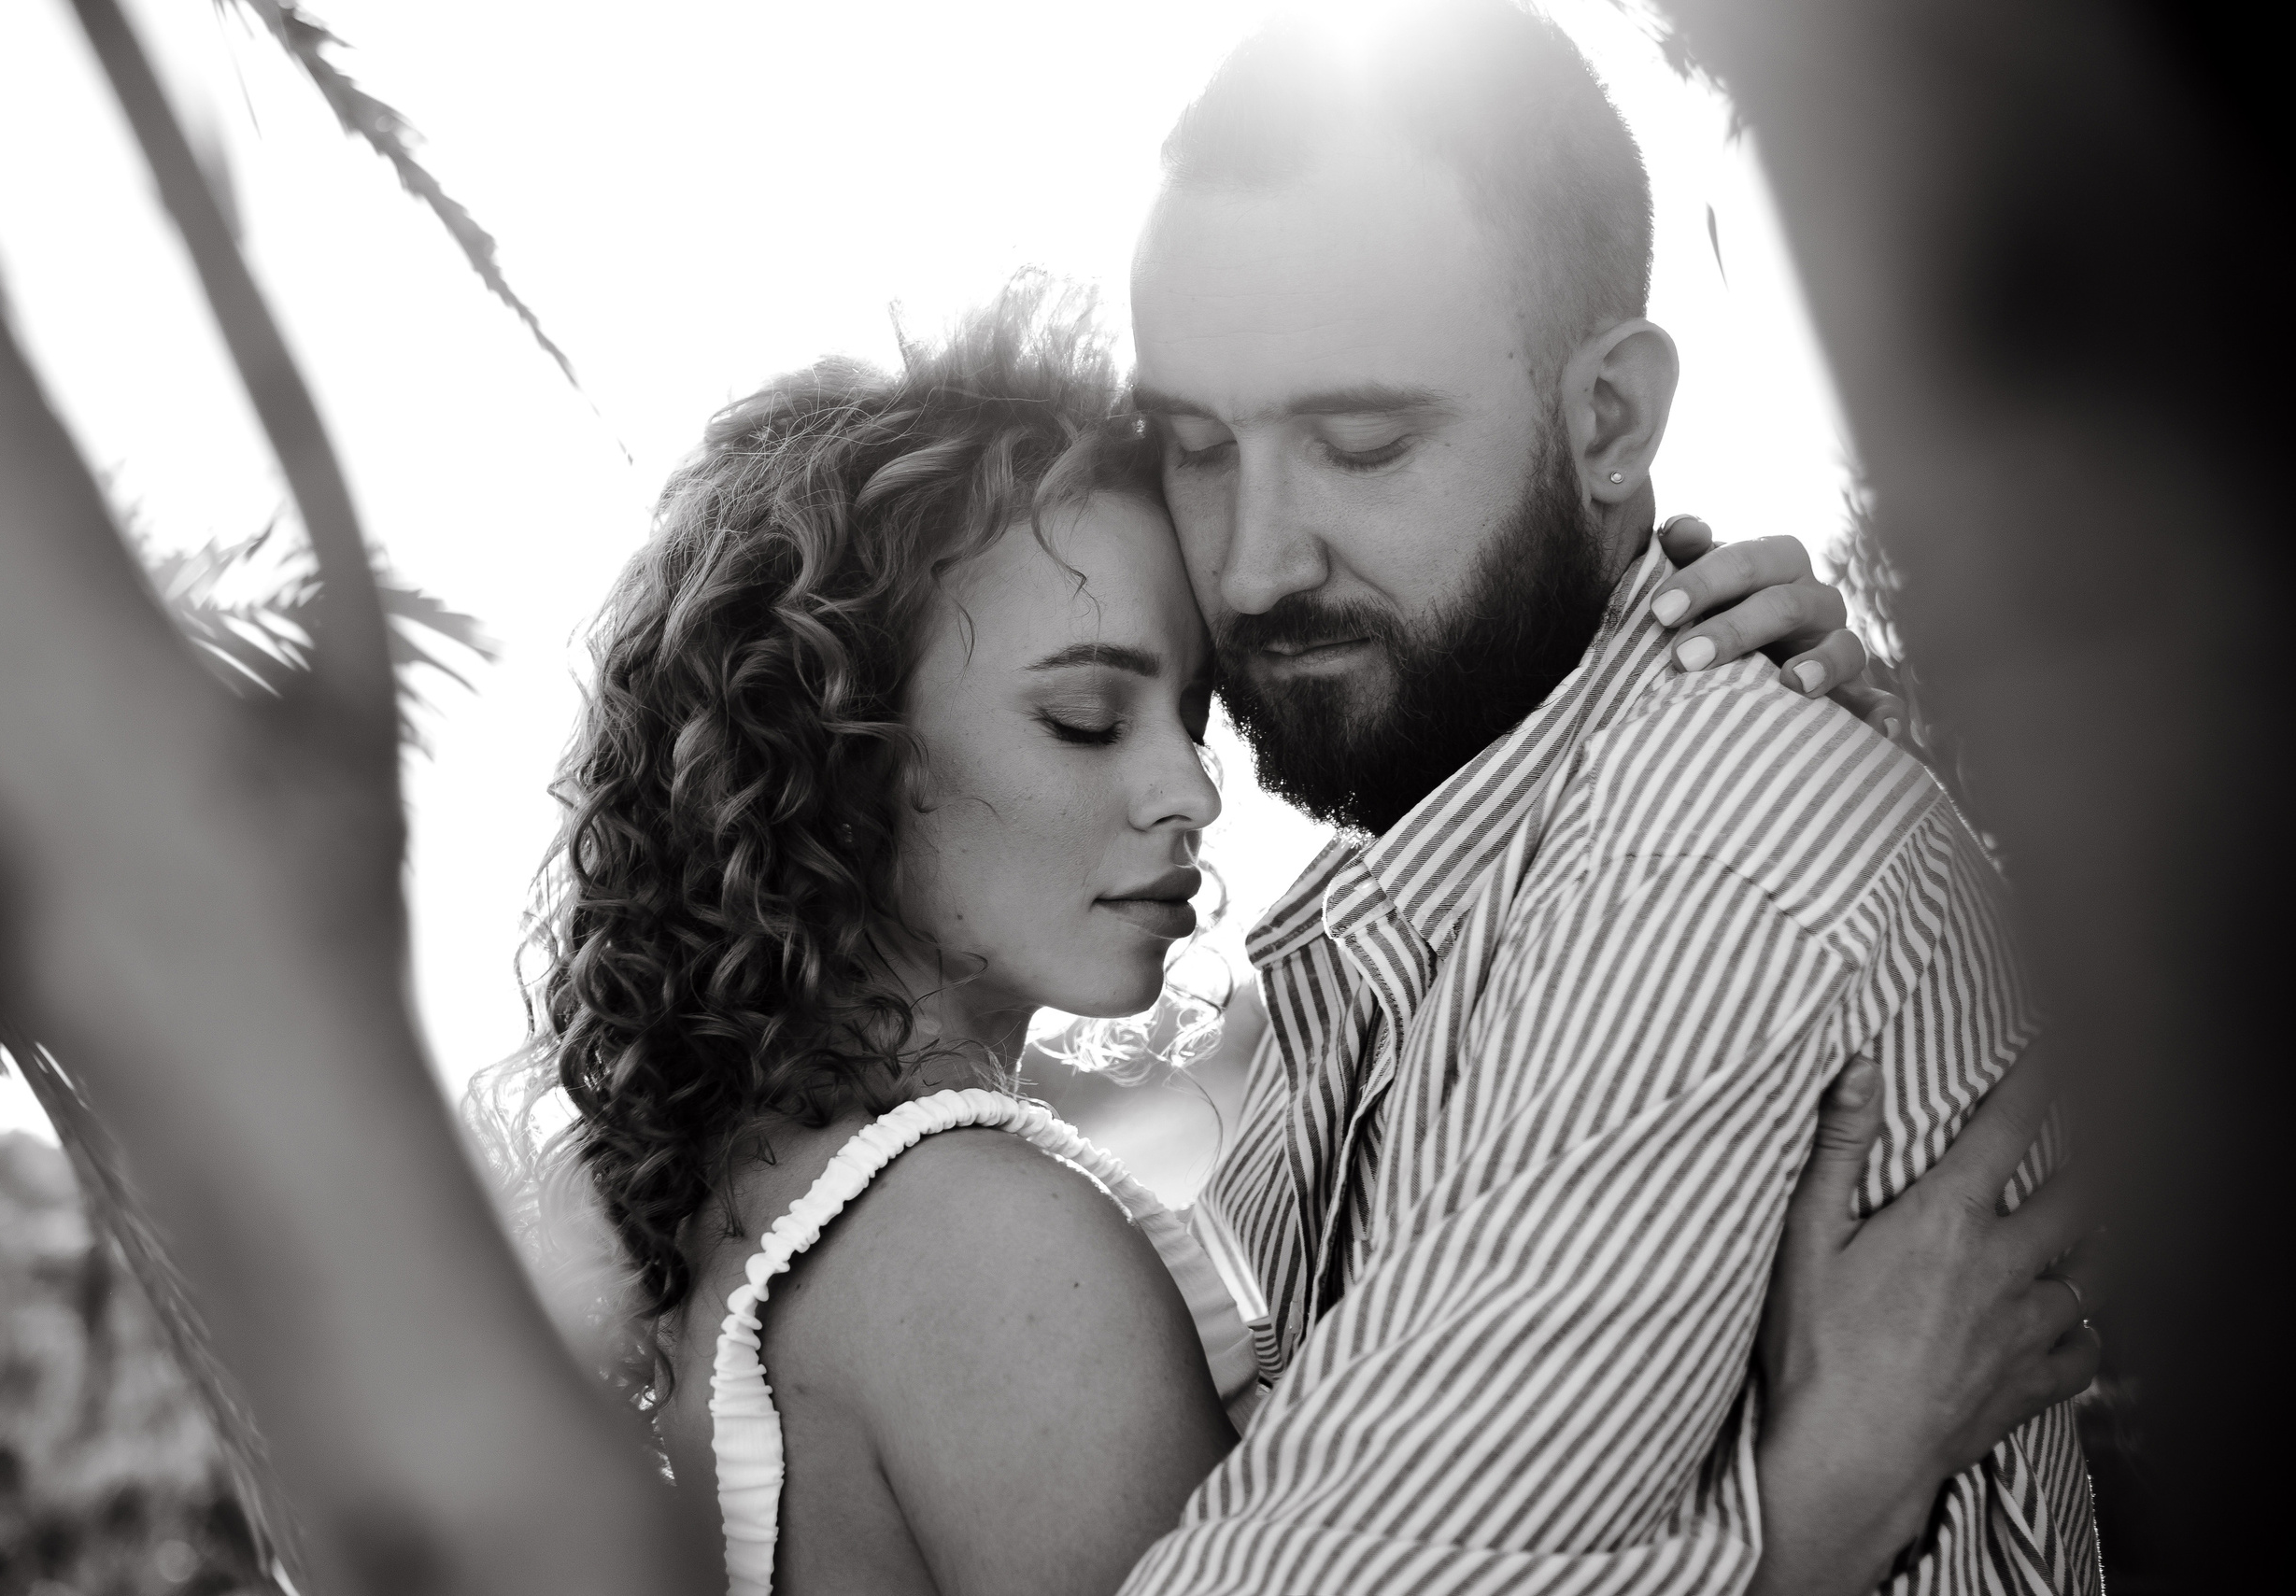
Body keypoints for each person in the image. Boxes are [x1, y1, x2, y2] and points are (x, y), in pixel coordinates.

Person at [480, 278, 2097, 1596]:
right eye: (1085, 716)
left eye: (1185, 712)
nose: (1190, 788)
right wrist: (1823, 1493)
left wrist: (1734, 713)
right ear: (833, 755)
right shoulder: (979, 1241)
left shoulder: (753, 1233)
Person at [1113, 5, 2097, 1592]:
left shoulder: (1696, 863)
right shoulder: (1453, 886)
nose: (1249, 562)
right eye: (1193, 446)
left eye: (1361, 443)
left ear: (1612, 421)